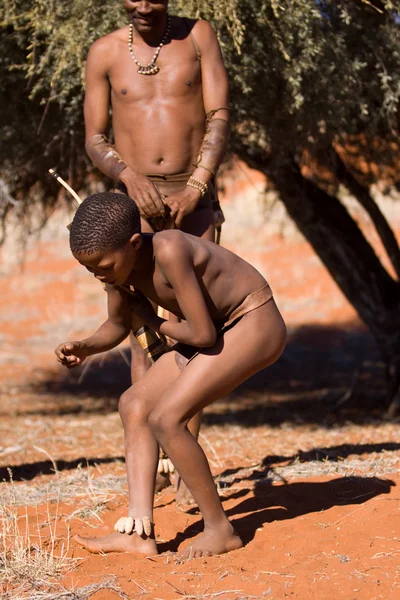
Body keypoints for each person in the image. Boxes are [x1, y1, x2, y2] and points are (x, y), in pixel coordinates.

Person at [55, 192, 287, 558]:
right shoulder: (119, 270)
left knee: (167, 418)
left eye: (102, 266)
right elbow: (117, 325)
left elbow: (202, 335)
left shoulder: (169, 250)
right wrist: (85, 346)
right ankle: (139, 533)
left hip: (252, 322)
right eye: (89, 270)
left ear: (133, 243)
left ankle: (219, 529)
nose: (98, 275)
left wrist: (151, 319)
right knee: (134, 404)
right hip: (218, 330)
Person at [84, 0, 230, 496]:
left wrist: (199, 183)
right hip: (135, 212)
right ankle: (146, 483)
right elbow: (94, 136)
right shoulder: (104, 53)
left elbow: (219, 114)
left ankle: (188, 463)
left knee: (198, 334)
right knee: (144, 338)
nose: (143, 6)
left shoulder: (198, 37)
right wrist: (127, 174)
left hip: (197, 204)